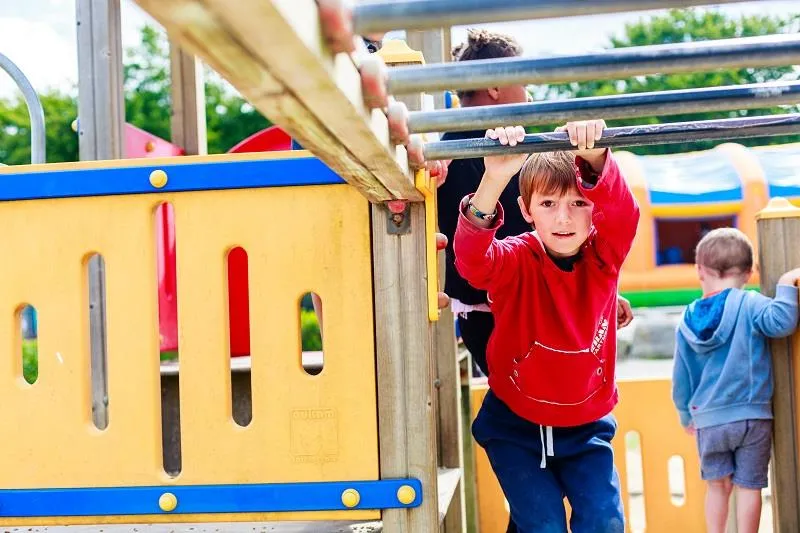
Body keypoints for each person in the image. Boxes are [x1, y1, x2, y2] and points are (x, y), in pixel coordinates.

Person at [454, 120, 639, 532]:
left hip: (585, 427)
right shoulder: (517, 260)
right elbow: (472, 262)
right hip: (515, 424)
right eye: (549, 204)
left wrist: (594, 157)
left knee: (604, 521)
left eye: (578, 203)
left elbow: (624, 215)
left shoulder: (603, 259)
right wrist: (495, 177)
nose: (563, 218)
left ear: (595, 206)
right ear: (526, 210)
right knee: (543, 524)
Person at [437, 29, 633, 382]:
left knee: (536, 403)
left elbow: (555, 232)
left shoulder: (445, 148)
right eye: (523, 82)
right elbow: (538, 235)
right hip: (506, 309)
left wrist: (598, 291)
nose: (529, 95)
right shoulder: (478, 151)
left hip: (485, 313)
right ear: (495, 88)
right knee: (545, 399)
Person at [671, 228, 800, 533]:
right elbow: (782, 323)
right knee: (748, 486)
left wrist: (686, 414)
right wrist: (785, 285)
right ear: (749, 272)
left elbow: (681, 378)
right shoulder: (750, 303)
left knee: (717, 486)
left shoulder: (686, 320)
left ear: (700, 271)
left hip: (709, 421)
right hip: (751, 416)